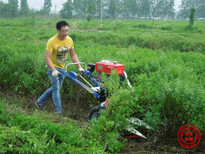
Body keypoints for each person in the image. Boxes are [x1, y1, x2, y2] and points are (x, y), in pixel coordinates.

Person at [35, 21, 84, 114]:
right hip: (53, 67)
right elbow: (47, 57)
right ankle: (58, 111)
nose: (66, 33)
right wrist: (53, 70)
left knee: (55, 88)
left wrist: (79, 67)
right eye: (63, 31)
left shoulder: (69, 40)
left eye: (67, 30)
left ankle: (39, 102)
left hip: (63, 68)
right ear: (58, 30)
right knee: (56, 89)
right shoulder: (52, 41)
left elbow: (73, 55)